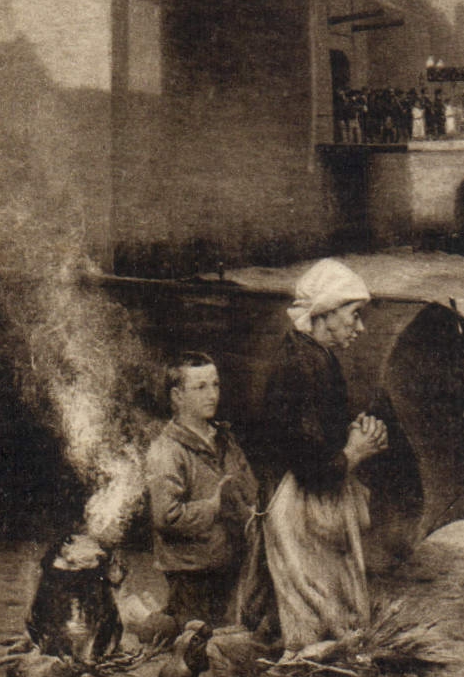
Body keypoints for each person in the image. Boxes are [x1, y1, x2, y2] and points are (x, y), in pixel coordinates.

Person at [259, 259, 389, 650]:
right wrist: (355, 451)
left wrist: (353, 435)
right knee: (318, 613)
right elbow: (312, 470)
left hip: (314, 506)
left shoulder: (315, 356)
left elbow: (315, 439)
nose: (359, 327)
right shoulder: (301, 365)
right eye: (354, 316)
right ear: (325, 314)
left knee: (331, 614)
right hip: (301, 513)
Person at [148, 352, 259, 628]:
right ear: (177, 396)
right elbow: (166, 517)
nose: (212, 395)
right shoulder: (166, 451)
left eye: (215, 385)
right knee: (198, 648)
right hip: (192, 574)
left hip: (233, 564)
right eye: (200, 387)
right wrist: (214, 506)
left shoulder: (224, 439)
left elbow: (250, 489)